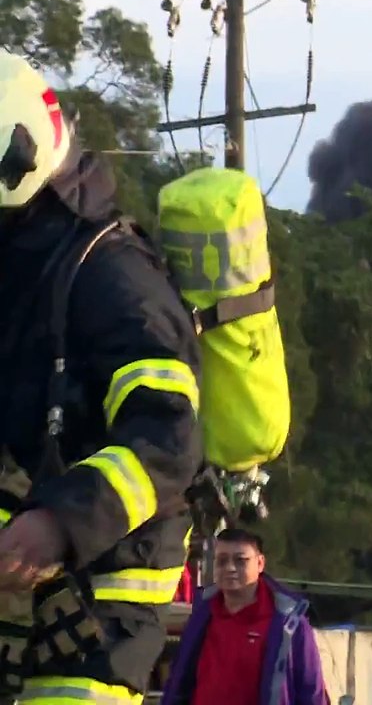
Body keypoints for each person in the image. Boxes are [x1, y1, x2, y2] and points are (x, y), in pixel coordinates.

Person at [0, 49, 203, 702]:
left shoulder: (112, 276)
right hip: (21, 606)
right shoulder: (22, 269)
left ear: (16, 159)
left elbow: (169, 438)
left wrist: (62, 523)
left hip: (97, 619)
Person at [161, 528, 328, 704]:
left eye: (240, 561)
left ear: (260, 563)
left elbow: (311, 692)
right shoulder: (202, 615)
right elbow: (178, 680)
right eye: (222, 561)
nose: (230, 568)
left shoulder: (289, 623)